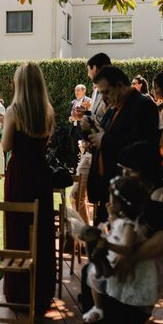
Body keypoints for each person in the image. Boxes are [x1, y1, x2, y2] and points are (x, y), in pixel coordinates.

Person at [81, 140, 163, 324]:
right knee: (92, 274)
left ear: (141, 171)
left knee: (114, 286)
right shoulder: (139, 192)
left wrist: (129, 259)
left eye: (126, 170)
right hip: (140, 260)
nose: (122, 174)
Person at [1, 62, 55, 315]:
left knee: (18, 227)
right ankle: (42, 292)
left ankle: (19, 292)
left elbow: (6, 145)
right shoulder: (48, 111)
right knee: (41, 228)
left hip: (20, 173)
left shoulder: (14, 111)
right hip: (41, 174)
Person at [83, 66, 160, 224]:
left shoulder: (143, 105)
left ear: (119, 85)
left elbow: (141, 146)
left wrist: (103, 140)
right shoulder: (114, 107)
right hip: (108, 190)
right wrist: (90, 133)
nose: (103, 98)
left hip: (129, 193)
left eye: (106, 92)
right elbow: (105, 135)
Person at [82, 176, 155, 324]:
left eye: (112, 201)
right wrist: (111, 216)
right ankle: (98, 308)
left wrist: (108, 245)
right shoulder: (122, 218)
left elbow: (128, 248)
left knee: (100, 275)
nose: (109, 203)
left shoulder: (130, 224)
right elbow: (115, 228)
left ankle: (102, 308)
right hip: (115, 256)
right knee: (94, 274)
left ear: (122, 203)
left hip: (127, 260)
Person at [69, 53, 111, 223]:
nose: (88, 74)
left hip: (104, 153)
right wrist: (83, 116)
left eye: (89, 70)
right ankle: (87, 238)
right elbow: (94, 117)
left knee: (102, 202)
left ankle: (94, 239)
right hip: (89, 150)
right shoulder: (95, 92)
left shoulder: (112, 92)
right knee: (75, 195)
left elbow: (107, 124)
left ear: (95, 68)